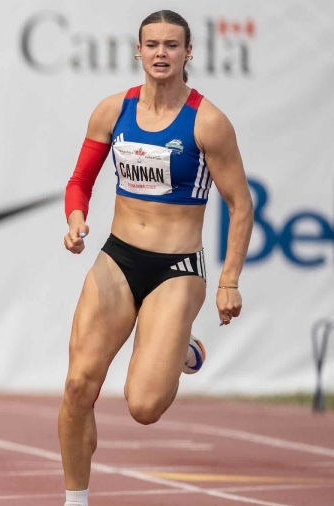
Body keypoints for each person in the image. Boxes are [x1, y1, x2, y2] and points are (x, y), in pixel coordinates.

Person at [59, 10, 253, 506]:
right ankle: (74, 500)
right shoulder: (113, 110)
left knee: (144, 407)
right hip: (118, 258)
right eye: (152, 44)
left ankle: (180, 345)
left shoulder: (208, 122)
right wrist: (77, 218)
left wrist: (229, 279)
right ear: (138, 51)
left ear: (189, 53)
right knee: (79, 385)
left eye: (172, 45)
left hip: (176, 268)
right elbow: (80, 181)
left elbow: (240, 204)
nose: (161, 53)